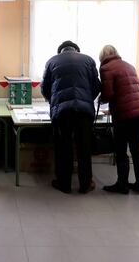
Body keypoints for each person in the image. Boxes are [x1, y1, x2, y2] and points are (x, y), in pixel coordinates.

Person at [41, 41, 101, 194]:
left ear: (60, 51)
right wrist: (86, 99)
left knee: (63, 147)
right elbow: (96, 86)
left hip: (62, 112)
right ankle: (85, 184)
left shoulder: (52, 61)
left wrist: (54, 101)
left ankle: (64, 184)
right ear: (77, 50)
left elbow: (44, 88)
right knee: (84, 147)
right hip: (84, 112)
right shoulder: (88, 60)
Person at [99, 45, 139, 194]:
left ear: (102, 56)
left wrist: (101, 99)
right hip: (138, 111)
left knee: (121, 149)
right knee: (136, 149)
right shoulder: (129, 66)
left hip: (123, 115)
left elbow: (108, 94)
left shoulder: (106, 68)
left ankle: (122, 185)